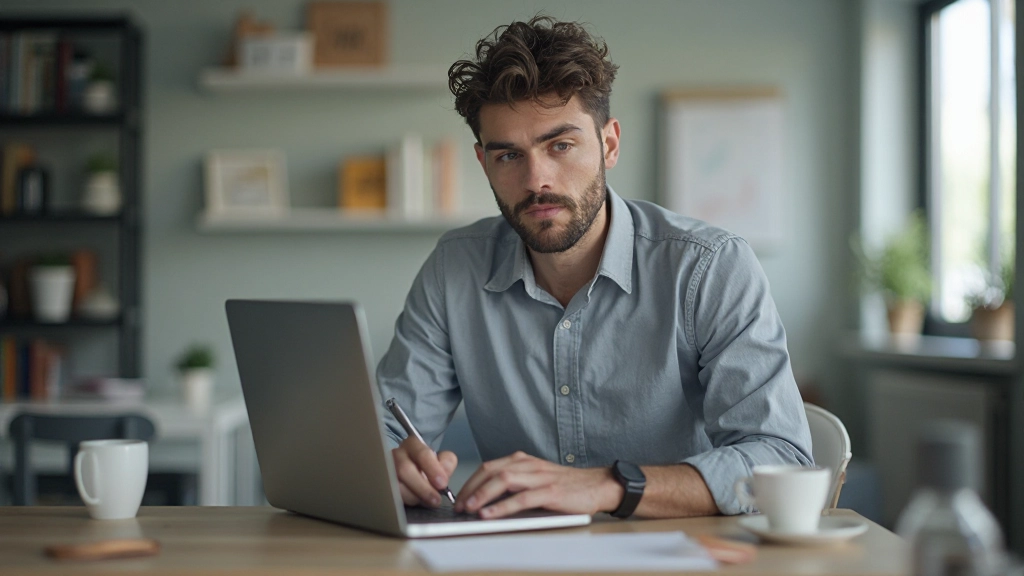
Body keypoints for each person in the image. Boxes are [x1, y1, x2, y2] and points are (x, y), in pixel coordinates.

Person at [377, 15, 812, 520]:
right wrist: (391, 465)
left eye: (560, 146)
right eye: (508, 156)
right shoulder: (454, 268)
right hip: (516, 558)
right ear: (483, 163)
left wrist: (610, 487)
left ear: (609, 143)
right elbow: (387, 433)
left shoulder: (709, 267)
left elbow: (783, 461)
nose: (536, 179)